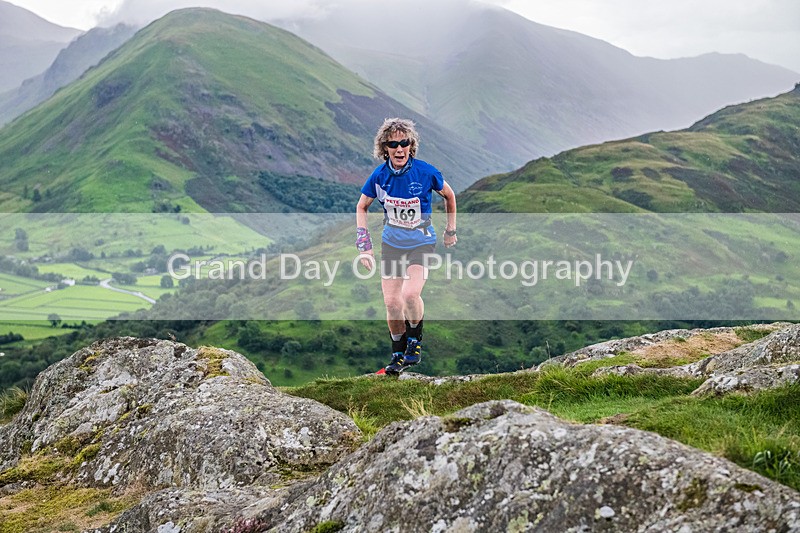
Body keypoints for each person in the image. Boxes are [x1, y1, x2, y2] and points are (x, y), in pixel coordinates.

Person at [355, 118, 457, 375]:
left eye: (405, 143)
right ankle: (397, 354)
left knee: (410, 295)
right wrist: (364, 246)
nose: (399, 149)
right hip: (392, 243)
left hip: (421, 242)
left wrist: (450, 230)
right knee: (391, 303)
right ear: (384, 148)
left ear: (411, 146)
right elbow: (361, 206)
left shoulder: (425, 171)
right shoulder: (379, 176)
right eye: (393, 144)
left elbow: (449, 195)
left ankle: (415, 340)